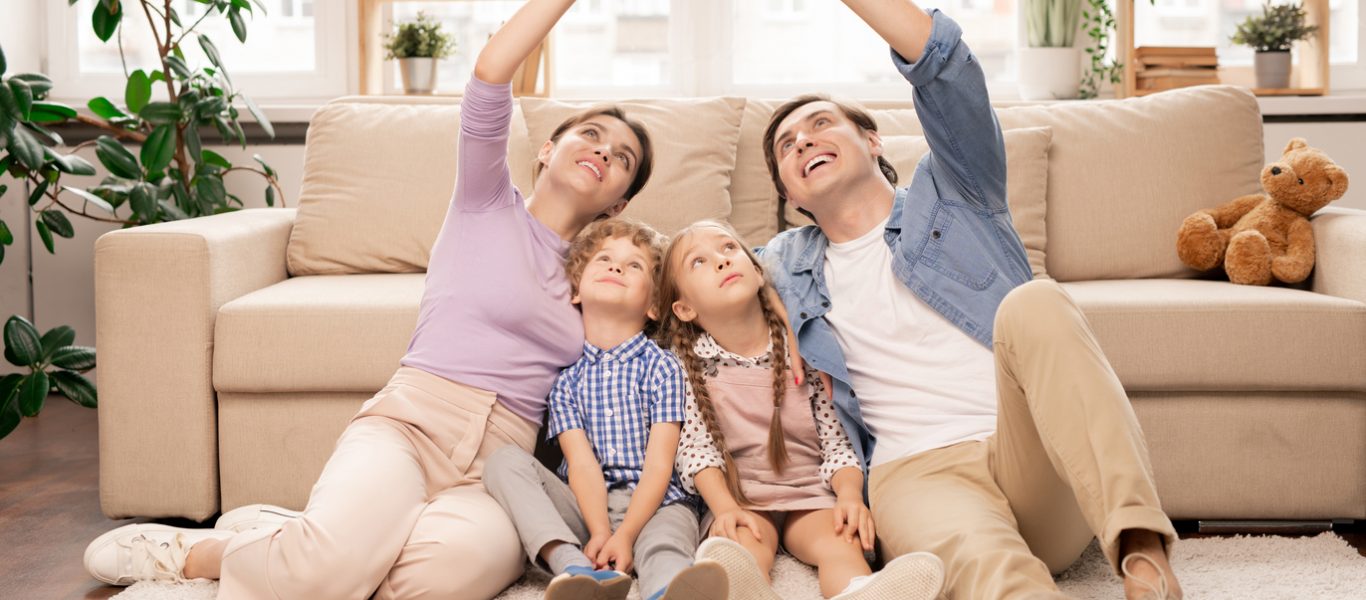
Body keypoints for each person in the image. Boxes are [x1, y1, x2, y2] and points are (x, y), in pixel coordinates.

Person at [82, 2, 658, 598]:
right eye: (591, 135)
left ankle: (304, 541)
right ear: (547, 149)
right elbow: (490, 72)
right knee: (330, 569)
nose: (604, 152)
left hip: (501, 467)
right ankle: (201, 553)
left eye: (623, 159)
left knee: (437, 583)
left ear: (618, 204)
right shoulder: (486, 200)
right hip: (411, 422)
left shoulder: (607, 276)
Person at [758, 2, 1184, 599]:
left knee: (1036, 302)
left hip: (1034, 456)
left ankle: (1142, 552)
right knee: (992, 571)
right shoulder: (779, 264)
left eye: (821, 124)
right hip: (917, 476)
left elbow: (947, 69)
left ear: (872, 138)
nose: (804, 141)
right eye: (787, 146)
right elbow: (666, 280)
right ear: (789, 191)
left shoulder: (957, 189)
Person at [657, 221, 945, 600]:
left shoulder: (802, 347)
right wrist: (724, 508)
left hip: (812, 491)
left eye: (728, 248)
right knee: (738, 549)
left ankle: (861, 593)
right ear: (685, 308)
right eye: (699, 262)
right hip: (743, 499)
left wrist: (849, 496)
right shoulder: (686, 364)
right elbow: (696, 450)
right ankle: (747, 591)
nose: (722, 262)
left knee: (841, 541)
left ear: (757, 271)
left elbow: (836, 440)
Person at [483, 218, 727, 600]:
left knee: (664, 541)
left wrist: (626, 534)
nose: (617, 267)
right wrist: (599, 533)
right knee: (503, 462)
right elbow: (580, 465)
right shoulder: (566, 381)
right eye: (605, 259)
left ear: (652, 305)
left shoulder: (663, 366)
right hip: (585, 505)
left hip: (658, 501)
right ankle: (574, 568)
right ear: (577, 290)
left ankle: (669, 589)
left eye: (635, 266)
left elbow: (661, 465)